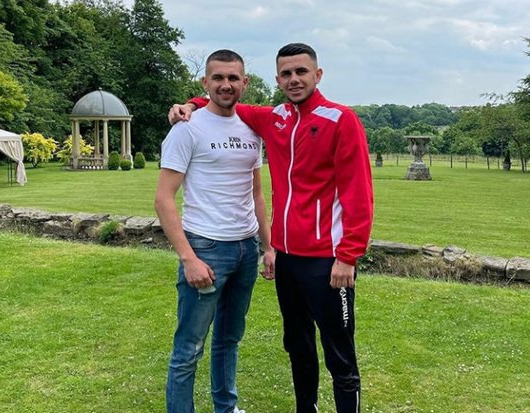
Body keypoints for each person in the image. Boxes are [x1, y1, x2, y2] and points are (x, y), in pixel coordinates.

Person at [169, 43, 373, 413]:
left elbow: (358, 192)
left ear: (317, 75)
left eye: (301, 72)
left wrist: (348, 256)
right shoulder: (274, 118)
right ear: (277, 79)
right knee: (298, 346)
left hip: (327, 260)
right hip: (288, 260)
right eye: (286, 73)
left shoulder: (340, 119)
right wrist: (191, 104)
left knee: (339, 353)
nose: (294, 79)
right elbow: (224, 100)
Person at [155, 49, 275, 413]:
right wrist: (188, 258)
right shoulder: (187, 128)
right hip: (205, 248)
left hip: (245, 249)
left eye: (233, 78)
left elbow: (255, 193)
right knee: (189, 348)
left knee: (229, 339)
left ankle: (227, 407)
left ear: (244, 83)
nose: (226, 84)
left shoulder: (251, 129)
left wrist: (268, 247)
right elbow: (163, 199)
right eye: (218, 78)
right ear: (205, 82)